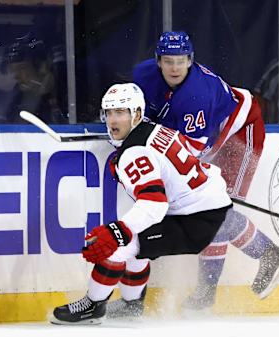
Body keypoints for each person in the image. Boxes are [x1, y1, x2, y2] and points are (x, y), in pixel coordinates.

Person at [103, 32, 279, 317]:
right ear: (158, 62)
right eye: (168, 61)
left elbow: (189, 151)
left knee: (213, 209)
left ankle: (266, 255)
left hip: (240, 132)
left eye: (181, 61)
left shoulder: (196, 96)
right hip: (205, 134)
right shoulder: (143, 75)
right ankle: (208, 292)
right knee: (208, 210)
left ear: (190, 60)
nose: (175, 67)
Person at [51, 82, 234, 324]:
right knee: (137, 244)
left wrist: (117, 231)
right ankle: (131, 305)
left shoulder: (134, 152)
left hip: (193, 220)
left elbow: (155, 204)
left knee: (116, 245)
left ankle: (93, 306)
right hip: (202, 205)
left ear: (136, 114)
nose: (112, 120)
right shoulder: (153, 129)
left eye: (120, 112)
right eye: (109, 113)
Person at [6, 33, 68, 124]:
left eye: (22, 68)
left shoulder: (69, 93)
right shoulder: (17, 98)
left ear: (42, 67)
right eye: (13, 70)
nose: (16, 76)